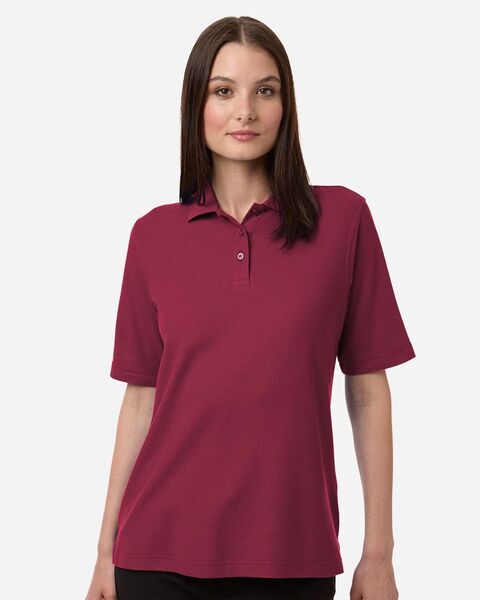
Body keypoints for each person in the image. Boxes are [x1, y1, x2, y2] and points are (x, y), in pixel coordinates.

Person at [85, 15, 415, 600]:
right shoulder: (153, 235)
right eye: (223, 91)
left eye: (265, 90)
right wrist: (105, 554)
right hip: (156, 554)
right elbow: (140, 400)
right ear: (196, 105)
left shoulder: (343, 221)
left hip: (293, 553)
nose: (245, 111)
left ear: (286, 106)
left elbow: (367, 390)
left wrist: (379, 553)